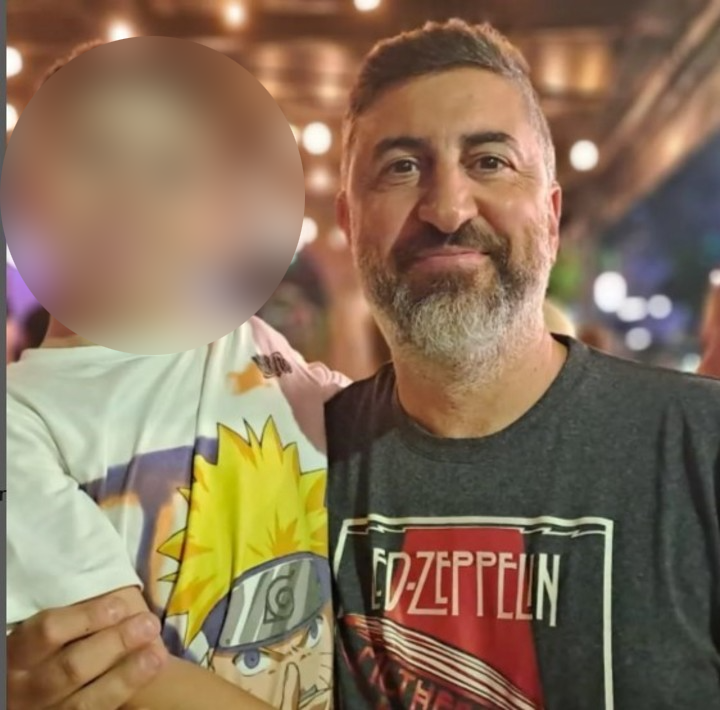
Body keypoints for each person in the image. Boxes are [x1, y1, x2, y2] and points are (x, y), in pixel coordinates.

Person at [10, 19, 720, 710]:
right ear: (349, 224)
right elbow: (104, 668)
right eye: (401, 167)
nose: (448, 208)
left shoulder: (697, 446)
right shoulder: (333, 431)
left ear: (553, 213)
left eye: (490, 161)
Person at [6, 39, 346, 710]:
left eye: (169, 167)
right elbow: (127, 674)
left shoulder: (252, 345)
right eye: (92, 155)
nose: (129, 194)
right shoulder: (20, 419)